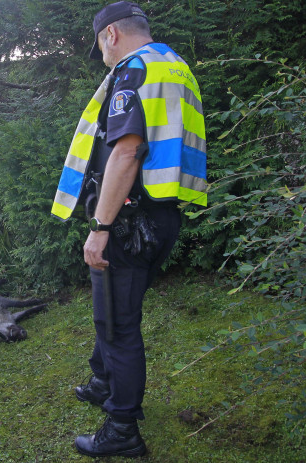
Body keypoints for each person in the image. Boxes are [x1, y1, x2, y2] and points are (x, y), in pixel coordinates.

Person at [51, 1, 207, 458]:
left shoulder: (133, 72)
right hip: (161, 214)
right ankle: (103, 382)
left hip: (128, 220)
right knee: (114, 309)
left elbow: (125, 153)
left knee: (118, 324)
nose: (100, 50)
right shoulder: (176, 67)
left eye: (99, 42)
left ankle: (122, 429)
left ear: (111, 35)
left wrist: (100, 226)